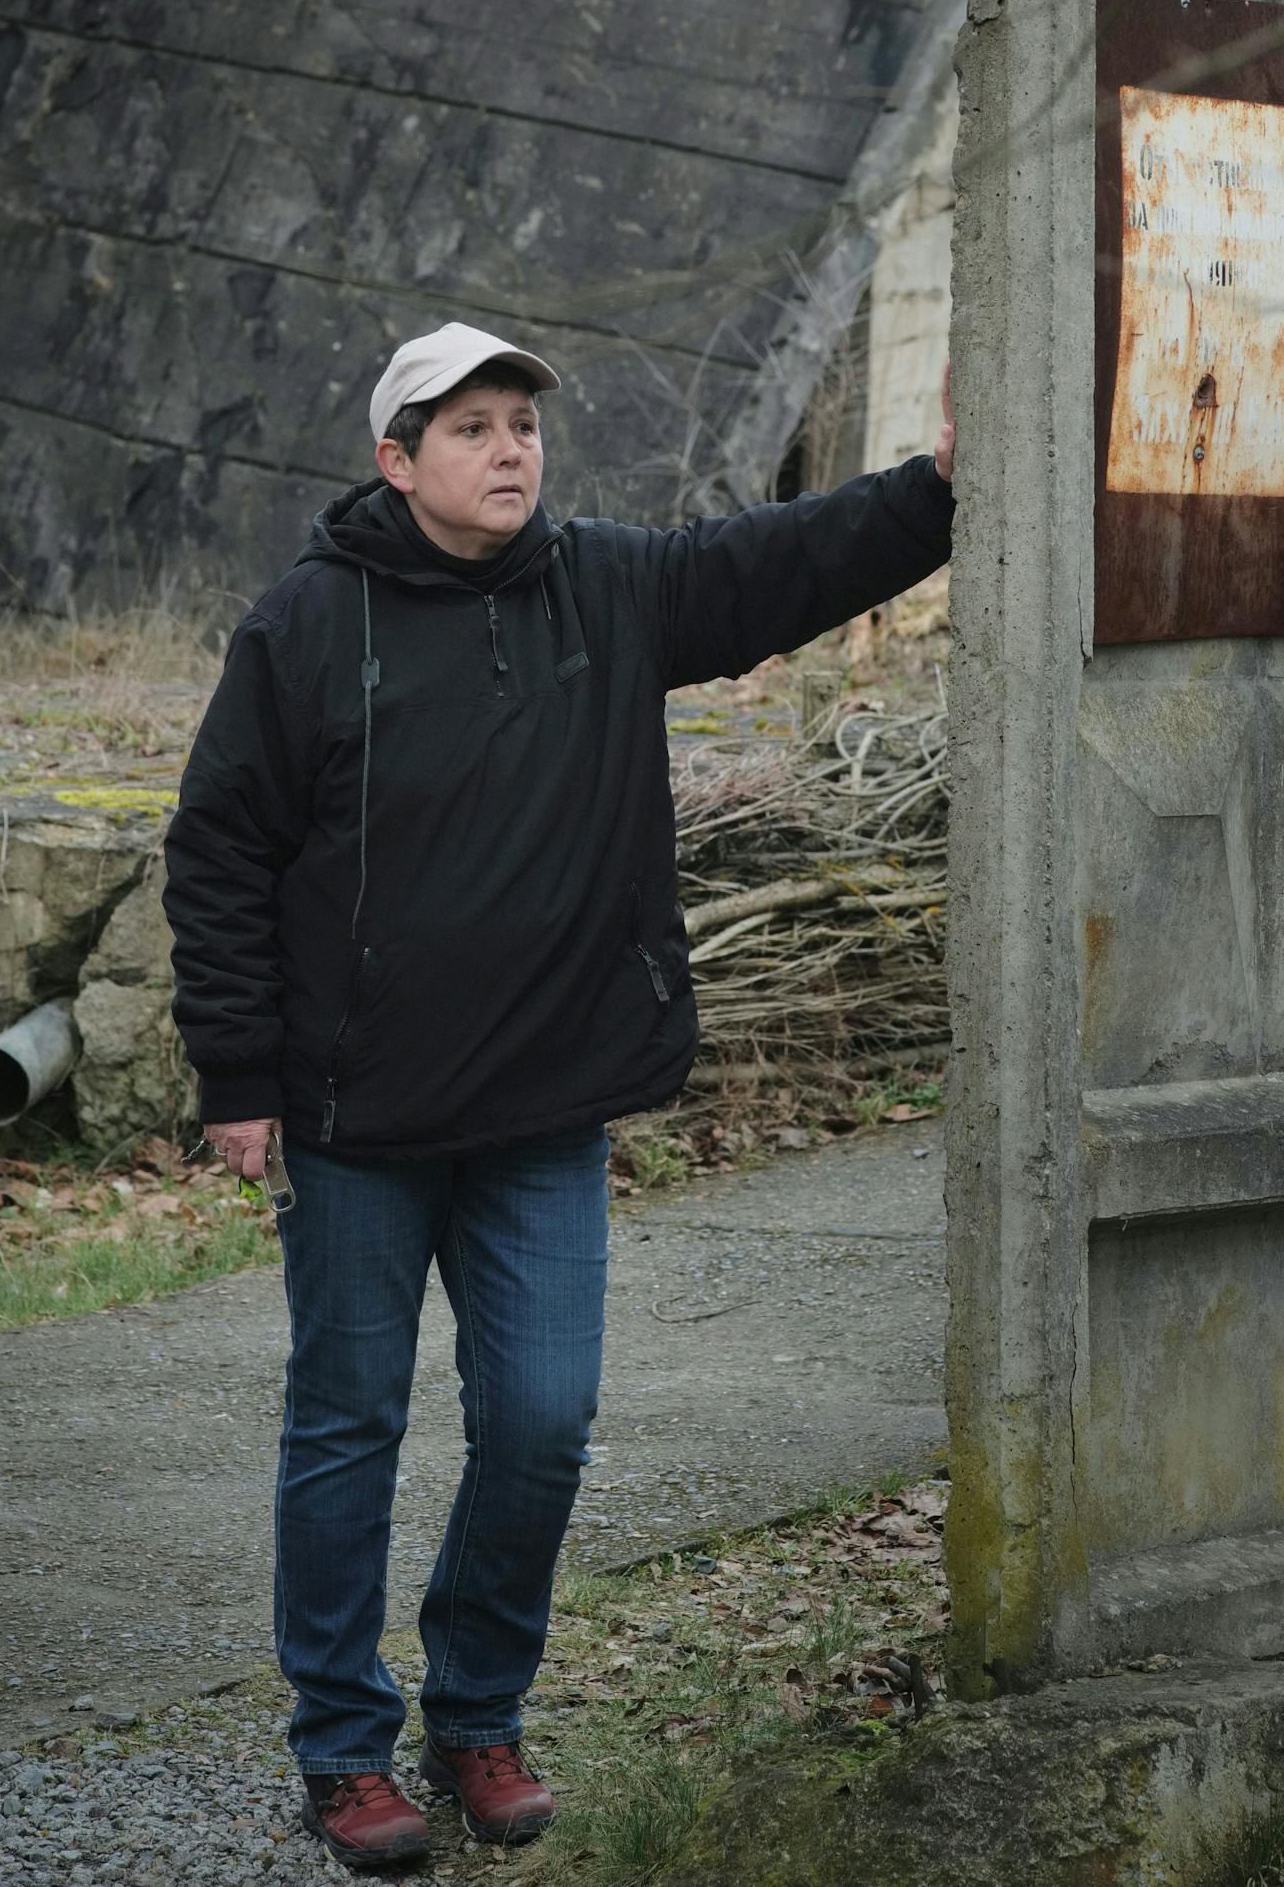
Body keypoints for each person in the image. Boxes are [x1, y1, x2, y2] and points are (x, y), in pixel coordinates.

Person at [162, 320, 956, 1870]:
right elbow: (221, 852)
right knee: (348, 1428)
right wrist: (235, 1069)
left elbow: (777, 564)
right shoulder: (307, 627)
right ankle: (343, 1748)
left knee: (540, 1422)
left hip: (542, 1113)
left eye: (523, 421)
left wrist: (935, 485)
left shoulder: (608, 587)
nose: (511, 448)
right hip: (357, 1120)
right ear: (396, 463)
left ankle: (476, 1714)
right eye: (470, 427)